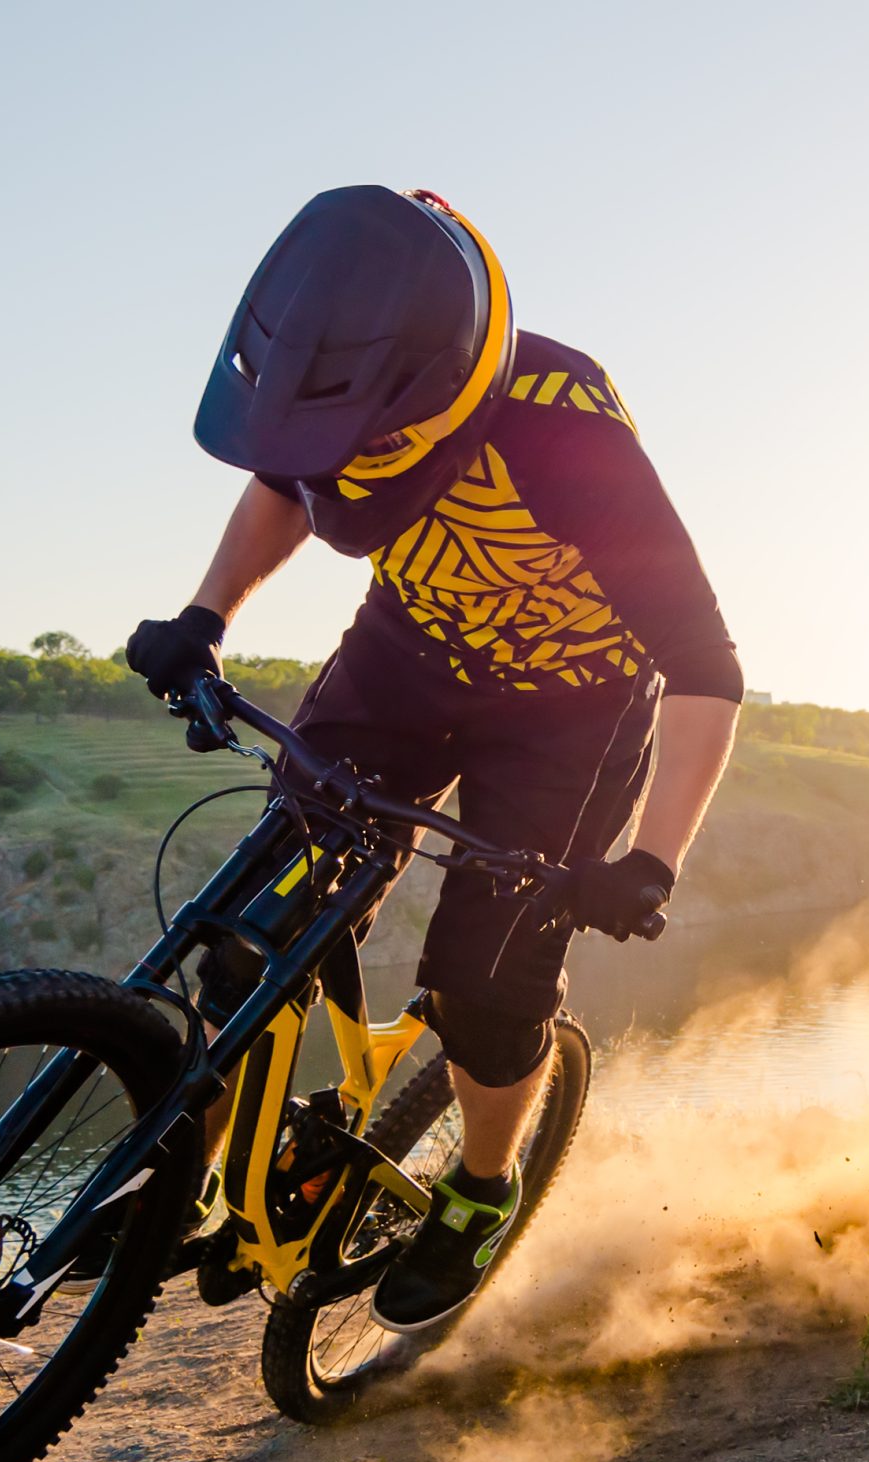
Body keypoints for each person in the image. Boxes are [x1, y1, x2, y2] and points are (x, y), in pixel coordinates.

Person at [124, 186, 742, 1333]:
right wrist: (204, 615)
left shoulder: (566, 431)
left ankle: (482, 1187)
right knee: (251, 934)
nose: (344, 475)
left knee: (485, 982)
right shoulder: (351, 370)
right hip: (408, 658)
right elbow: (282, 486)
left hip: (570, 708)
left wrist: (650, 861)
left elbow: (706, 667)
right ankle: (179, 1184)